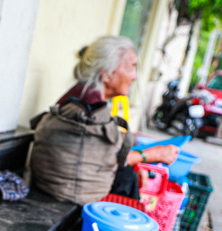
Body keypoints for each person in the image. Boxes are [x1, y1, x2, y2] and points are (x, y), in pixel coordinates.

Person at [30, 35, 179, 205]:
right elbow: (101, 158)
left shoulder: (83, 96)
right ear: (107, 75)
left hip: (57, 185)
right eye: (131, 67)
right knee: (126, 177)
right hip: (65, 193)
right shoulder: (88, 105)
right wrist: (150, 155)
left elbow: (96, 147)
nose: (134, 76)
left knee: (128, 174)